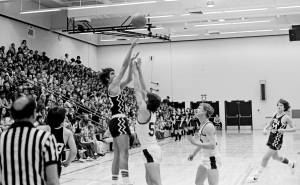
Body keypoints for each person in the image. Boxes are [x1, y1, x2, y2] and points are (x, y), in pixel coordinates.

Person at [99, 39, 138, 185]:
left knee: (117, 154)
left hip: (115, 121)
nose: (115, 75)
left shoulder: (115, 87)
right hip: (120, 120)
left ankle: (115, 182)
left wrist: (132, 64)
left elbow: (128, 78)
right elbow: (123, 66)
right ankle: (126, 182)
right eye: (112, 74)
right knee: (124, 153)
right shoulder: (113, 85)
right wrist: (131, 47)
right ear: (107, 78)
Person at [0, 96, 59, 185]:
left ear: (12, 115)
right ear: (34, 114)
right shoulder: (45, 137)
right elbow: (53, 181)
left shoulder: (2, 138)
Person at [248, 99, 296, 183]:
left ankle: (256, 177)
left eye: (281, 105)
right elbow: (270, 124)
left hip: (277, 140)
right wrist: (264, 129)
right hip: (271, 138)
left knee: (265, 158)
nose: (279, 106)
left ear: (284, 107)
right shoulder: (275, 114)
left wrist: (284, 130)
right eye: (278, 105)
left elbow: (294, 129)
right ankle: (291, 164)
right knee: (276, 157)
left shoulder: (286, 117)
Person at [133, 58, 163, 185]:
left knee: (155, 182)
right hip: (150, 148)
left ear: (148, 101)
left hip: (150, 149)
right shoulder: (151, 111)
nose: (146, 94)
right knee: (149, 181)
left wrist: (134, 71)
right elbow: (144, 89)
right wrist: (140, 69)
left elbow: (137, 90)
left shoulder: (144, 111)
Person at [188, 103, 220, 185]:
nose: (196, 109)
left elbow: (212, 145)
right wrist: (193, 154)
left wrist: (194, 142)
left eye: (199, 108)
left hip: (212, 160)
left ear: (205, 112)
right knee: (198, 182)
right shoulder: (202, 125)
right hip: (205, 159)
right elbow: (203, 142)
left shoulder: (209, 126)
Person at [46, 107, 77, 177]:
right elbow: (74, 152)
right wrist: (67, 161)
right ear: (61, 120)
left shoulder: (42, 129)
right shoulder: (67, 133)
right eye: (64, 116)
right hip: (55, 166)